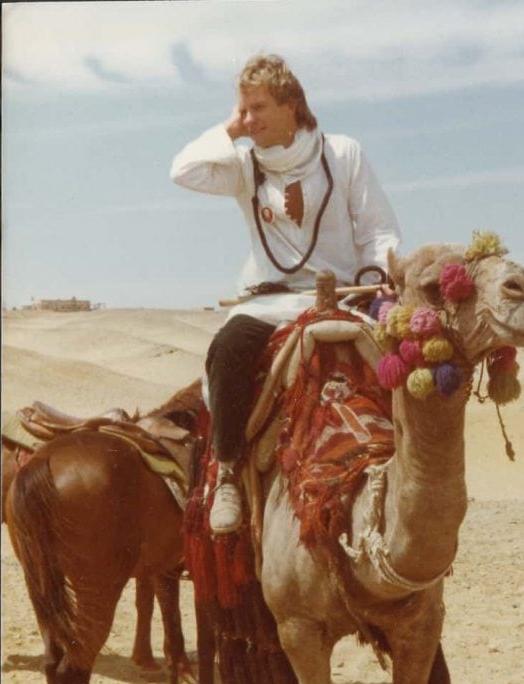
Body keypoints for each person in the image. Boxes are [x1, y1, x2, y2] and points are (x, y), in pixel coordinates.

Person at [170, 53, 401, 534]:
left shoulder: (343, 153)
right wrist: (231, 130)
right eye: (243, 110)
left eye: (257, 109)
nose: (248, 120)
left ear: (291, 105)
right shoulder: (242, 166)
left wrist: (377, 279)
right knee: (227, 350)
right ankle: (229, 472)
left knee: (399, 364)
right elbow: (183, 171)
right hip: (268, 302)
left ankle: (411, 471)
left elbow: (377, 229)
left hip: (344, 297)